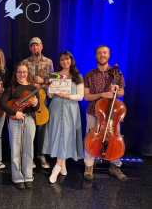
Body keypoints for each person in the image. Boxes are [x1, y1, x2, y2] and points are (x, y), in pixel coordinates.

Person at [83, 45, 128, 182]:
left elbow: (122, 92)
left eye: (105, 53)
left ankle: (115, 166)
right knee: (90, 139)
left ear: (109, 55)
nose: (102, 55)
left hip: (112, 114)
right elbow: (87, 97)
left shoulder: (117, 74)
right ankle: (89, 166)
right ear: (95, 56)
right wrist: (102, 94)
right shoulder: (89, 75)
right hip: (94, 112)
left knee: (115, 139)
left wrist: (116, 90)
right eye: (99, 53)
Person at [42, 51, 84, 183]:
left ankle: (57, 166)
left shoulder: (77, 76)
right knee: (57, 135)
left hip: (70, 109)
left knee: (66, 136)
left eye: (67, 59)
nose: (65, 62)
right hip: (55, 108)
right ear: (59, 62)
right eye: (62, 60)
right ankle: (63, 164)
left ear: (71, 60)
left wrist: (69, 96)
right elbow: (49, 95)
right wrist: (49, 86)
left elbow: (81, 96)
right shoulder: (55, 75)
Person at [0, 62, 39, 190]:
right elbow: (2, 104)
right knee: (16, 148)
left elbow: (37, 107)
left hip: (30, 119)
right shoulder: (11, 88)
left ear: (28, 74)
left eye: (24, 72)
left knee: (28, 149)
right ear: (15, 74)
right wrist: (14, 113)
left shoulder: (33, 88)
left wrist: (35, 103)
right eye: (19, 72)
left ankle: (28, 176)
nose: (22, 74)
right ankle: (17, 177)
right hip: (15, 119)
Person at [22, 37, 53, 169]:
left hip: (42, 98)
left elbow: (54, 80)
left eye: (37, 45)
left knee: (41, 129)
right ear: (30, 48)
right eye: (32, 46)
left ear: (41, 46)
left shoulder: (48, 62)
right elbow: (20, 79)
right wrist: (30, 83)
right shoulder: (25, 62)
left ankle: (40, 155)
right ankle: (29, 157)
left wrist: (43, 80)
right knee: (29, 129)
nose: (35, 48)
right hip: (28, 99)